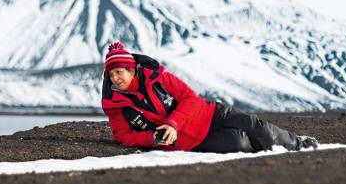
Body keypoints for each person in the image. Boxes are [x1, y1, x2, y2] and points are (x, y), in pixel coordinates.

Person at [101, 41, 319, 153]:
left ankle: (298, 143)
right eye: (111, 75)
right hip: (192, 140)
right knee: (239, 143)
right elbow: (124, 136)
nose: (115, 78)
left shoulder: (159, 78)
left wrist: (172, 123)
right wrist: (152, 139)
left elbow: (191, 98)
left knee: (258, 127)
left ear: (131, 70)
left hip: (211, 113)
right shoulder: (116, 106)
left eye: (119, 72)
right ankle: (272, 151)